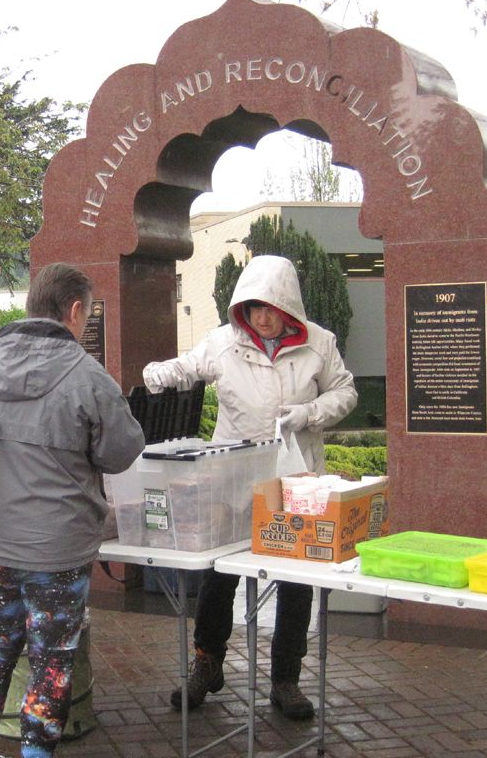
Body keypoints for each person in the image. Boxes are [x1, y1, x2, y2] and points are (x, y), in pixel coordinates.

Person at [0, 263, 145, 758]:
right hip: (55, 547)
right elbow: (122, 451)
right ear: (75, 310)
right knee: (51, 656)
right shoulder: (86, 376)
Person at [142, 254, 357, 719]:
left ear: (288, 305)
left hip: (296, 479)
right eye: (253, 307)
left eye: (271, 307)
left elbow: (345, 391)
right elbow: (190, 367)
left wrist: (310, 413)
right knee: (218, 574)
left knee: (296, 581)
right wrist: (160, 371)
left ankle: (286, 679)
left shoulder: (320, 343)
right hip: (234, 478)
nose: (262, 317)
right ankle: (207, 662)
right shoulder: (224, 342)